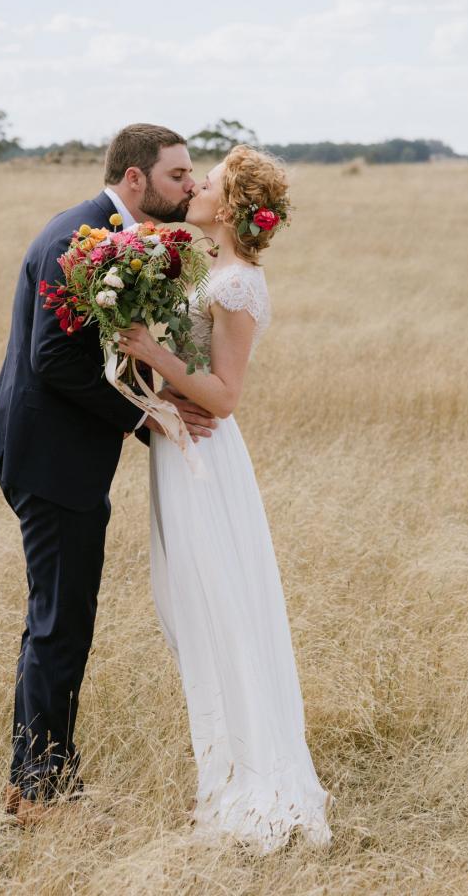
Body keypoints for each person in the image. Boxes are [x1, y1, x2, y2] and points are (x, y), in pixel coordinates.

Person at [0, 124, 218, 827]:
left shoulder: (117, 234)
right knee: (60, 625)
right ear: (136, 178)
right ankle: (42, 791)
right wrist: (147, 417)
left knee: (59, 620)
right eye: (178, 175)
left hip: (65, 455)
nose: (190, 186)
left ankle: (37, 780)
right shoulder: (74, 240)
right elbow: (53, 360)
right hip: (49, 459)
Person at [118, 144, 332, 852]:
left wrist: (153, 355)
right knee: (195, 610)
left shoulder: (238, 285)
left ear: (232, 205)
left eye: (204, 182)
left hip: (206, 458)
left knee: (222, 613)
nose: (192, 187)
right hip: (180, 450)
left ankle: (253, 784)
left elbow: (226, 396)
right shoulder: (210, 266)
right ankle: (222, 772)